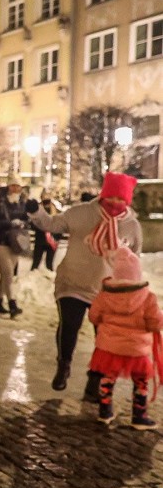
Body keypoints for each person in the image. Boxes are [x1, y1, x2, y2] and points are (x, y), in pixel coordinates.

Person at [27, 172, 142, 398]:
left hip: (107, 290)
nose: (115, 204)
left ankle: (94, 380)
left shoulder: (131, 226)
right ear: (103, 194)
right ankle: (64, 364)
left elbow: (134, 259)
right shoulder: (82, 213)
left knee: (105, 338)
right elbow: (53, 224)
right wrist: (36, 212)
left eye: (121, 199)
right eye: (111, 197)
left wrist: (131, 290)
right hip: (73, 282)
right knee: (69, 325)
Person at [88, 246, 162, 430]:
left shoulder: (104, 295)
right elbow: (155, 323)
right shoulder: (147, 297)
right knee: (140, 380)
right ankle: (139, 416)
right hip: (136, 349)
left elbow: (93, 317)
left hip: (109, 347)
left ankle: (105, 412)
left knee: (108, 377)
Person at [0, 176, 27, 318]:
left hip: (15, 242)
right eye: (13, 185)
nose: (15, 188)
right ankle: (12, 304)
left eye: (18, 186)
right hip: (0, 241)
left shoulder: (22, 201)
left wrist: (23, 223)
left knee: (5, 273)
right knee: (9, 272)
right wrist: (9, 224)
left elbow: (27, 218)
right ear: (8, 187)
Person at [30, 196, 62, 271]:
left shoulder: (38, 212)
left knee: (35, 263)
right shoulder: (56, 212)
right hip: (52, 241)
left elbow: (33, 225)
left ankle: (32, 279)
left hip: (40, 240)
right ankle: (49, 280)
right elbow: (60, 227)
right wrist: (57, 238)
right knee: (49, 264)